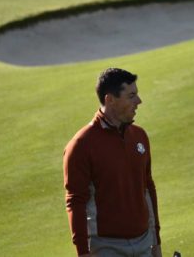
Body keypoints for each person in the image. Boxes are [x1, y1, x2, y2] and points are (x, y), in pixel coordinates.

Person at [63, 68, 162, 257]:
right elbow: (75, 202)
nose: (138, 101)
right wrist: (83, 252)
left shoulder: (139, 136)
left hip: (144, 243)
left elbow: (148, 188)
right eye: (131, 96)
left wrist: (156, 241)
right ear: (110, 100)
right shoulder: (81, 145)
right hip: (106, 248)